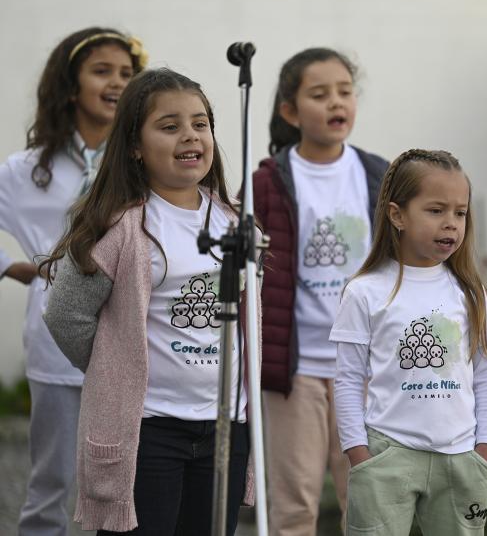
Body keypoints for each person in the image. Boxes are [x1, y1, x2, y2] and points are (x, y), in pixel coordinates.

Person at [42, 68, 256, 535]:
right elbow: (65, 314)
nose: (190, 136)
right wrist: (116, 367)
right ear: (135, 146)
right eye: (169, 125)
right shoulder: (119, 226)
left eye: (201, 124)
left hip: (223, 428)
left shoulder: (237, 224)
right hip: (149, 429)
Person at [0, 26, 145, 535]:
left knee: (129, 486)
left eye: (127, 74)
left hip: (134, 344)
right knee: (53, 483)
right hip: (55, 346)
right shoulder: (27, 171)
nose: (116, 83)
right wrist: (18, 266)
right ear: (69, 86)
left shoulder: (141, 163)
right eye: (101, 71)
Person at [330, 149, 487, 535]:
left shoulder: (472, 294)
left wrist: (484, 452)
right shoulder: (364, 292)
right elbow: (347, 380)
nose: (451, 224)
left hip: (461, 461)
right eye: (436, 210)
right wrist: (360, 456)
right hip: (385, 457)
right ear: (397, 215)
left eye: (460, 213)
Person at [253, 47, 387, 534]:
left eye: (345, 92)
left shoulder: (380, 174)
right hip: (297, 370)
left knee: (371, 503)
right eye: (320, 94)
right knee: (293, 507)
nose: (336, 103)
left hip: (367, 367)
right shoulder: (268, 183)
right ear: (290, 111)